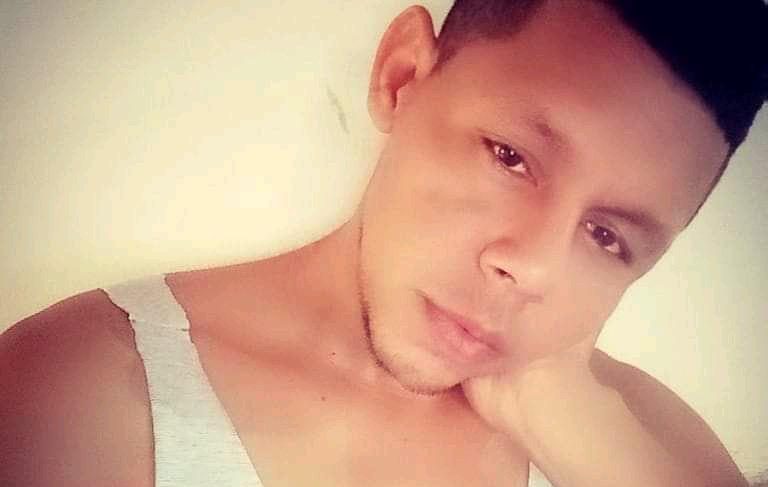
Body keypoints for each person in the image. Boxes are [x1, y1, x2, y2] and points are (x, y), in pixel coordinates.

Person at [1, 0, 766, 485]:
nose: (531, 267)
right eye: (509, 156)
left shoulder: (646, 441)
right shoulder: (75, 395)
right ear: (401, 78)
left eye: (606, 236)